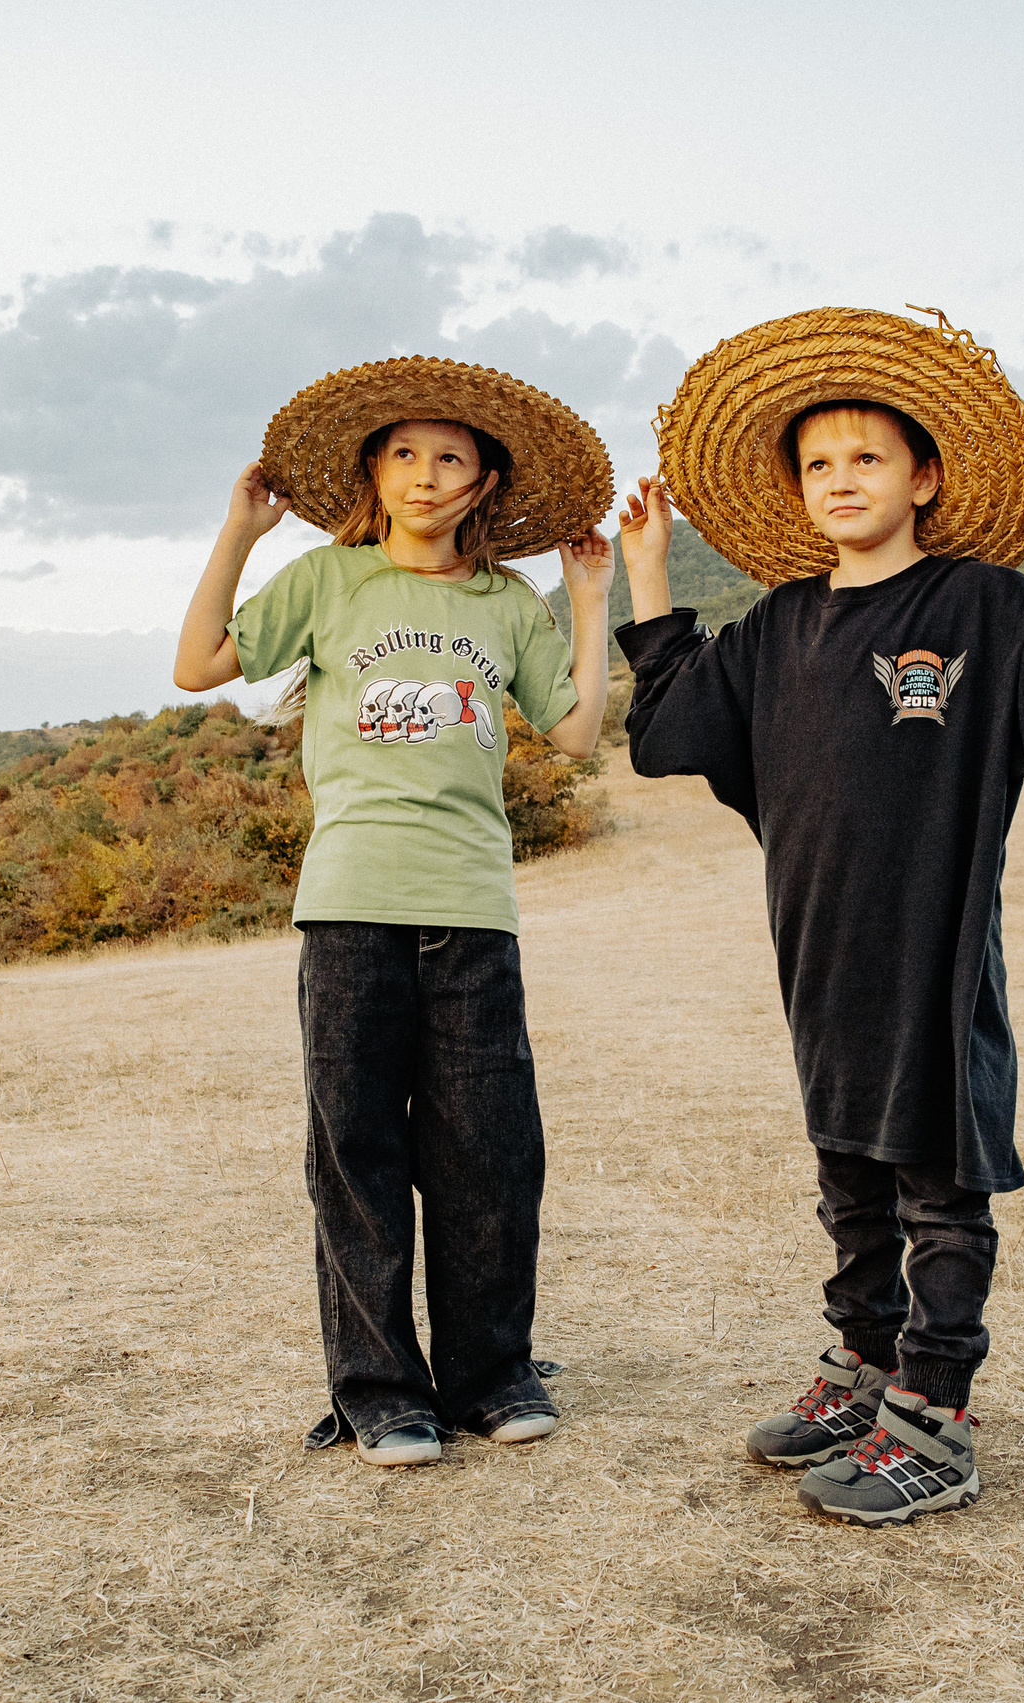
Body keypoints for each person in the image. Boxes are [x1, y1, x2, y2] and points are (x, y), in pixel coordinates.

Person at [613, 306, 1024, 1525]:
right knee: (847, 1166)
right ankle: (863, 1364)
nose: (840, 480)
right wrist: (650, 573)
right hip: (819, 944)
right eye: (817, 464)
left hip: (936, 943)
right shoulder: (779, 627)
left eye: (866, 456)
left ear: (924, 475)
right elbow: (670, 728)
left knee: (934, 1176)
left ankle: (938, 1416)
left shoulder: (977, 606)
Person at [173, 356, 616, 1468]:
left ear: (481, 485)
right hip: (350, 908)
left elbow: (572, 734)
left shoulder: (504, 603)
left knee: (489, 1152)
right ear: (375, 468)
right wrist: (241, 535)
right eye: (406, 454)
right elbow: (196, 665)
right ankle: (381, 1389)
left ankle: (489, 1375)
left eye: (451, 459)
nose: (426, 475)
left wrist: (593, 594)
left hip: (472, 907)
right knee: (358, 1149)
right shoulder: (329, 583)